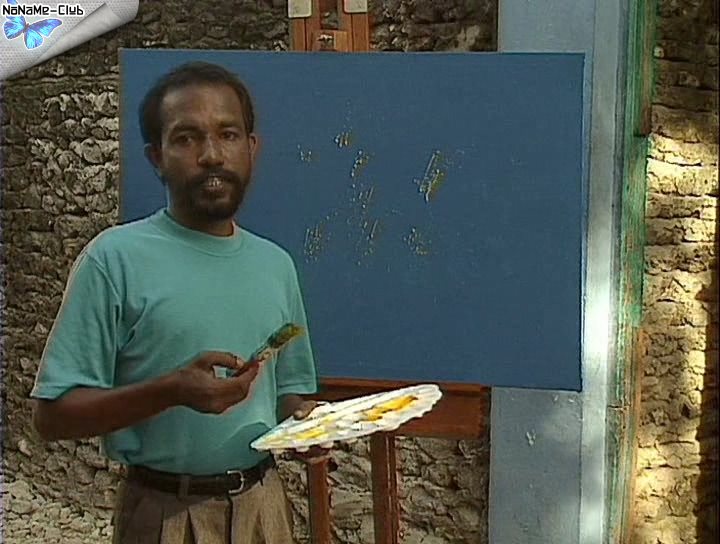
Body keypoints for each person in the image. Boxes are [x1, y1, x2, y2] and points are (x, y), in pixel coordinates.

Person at [30, 61, 320, 544]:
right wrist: (170, 391)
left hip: (264, 509)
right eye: (186, 138)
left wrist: (310, 426)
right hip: (164, 514)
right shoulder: (113, 260)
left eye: (228, 134)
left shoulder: (276, 265)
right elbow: (52, 417)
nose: (212, 155)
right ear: (156, 157)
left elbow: (288, 392)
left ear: (252, 148)